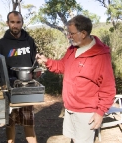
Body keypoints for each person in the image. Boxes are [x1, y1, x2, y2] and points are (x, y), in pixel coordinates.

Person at [36, 15, 116, 143]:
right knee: (73, 139)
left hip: (86, 113)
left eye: (71, 33)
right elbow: (62, 66)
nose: (69, 36)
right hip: (70, 107)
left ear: (83, 33)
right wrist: (47, 61)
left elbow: (108, 88)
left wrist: (100, 112)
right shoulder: (72, 49)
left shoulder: (100, 55)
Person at [0, 11, 37, 143]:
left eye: (18, 22)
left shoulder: (29, 41)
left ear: (22, 23)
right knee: (10, 123)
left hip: (26, 90)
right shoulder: (0, 44)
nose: (15, 25)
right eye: (12, 22)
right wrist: (0, 82)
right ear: (8, 23)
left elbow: (34, 63)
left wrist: (35, 73)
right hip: (8, 91)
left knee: (28, 123)